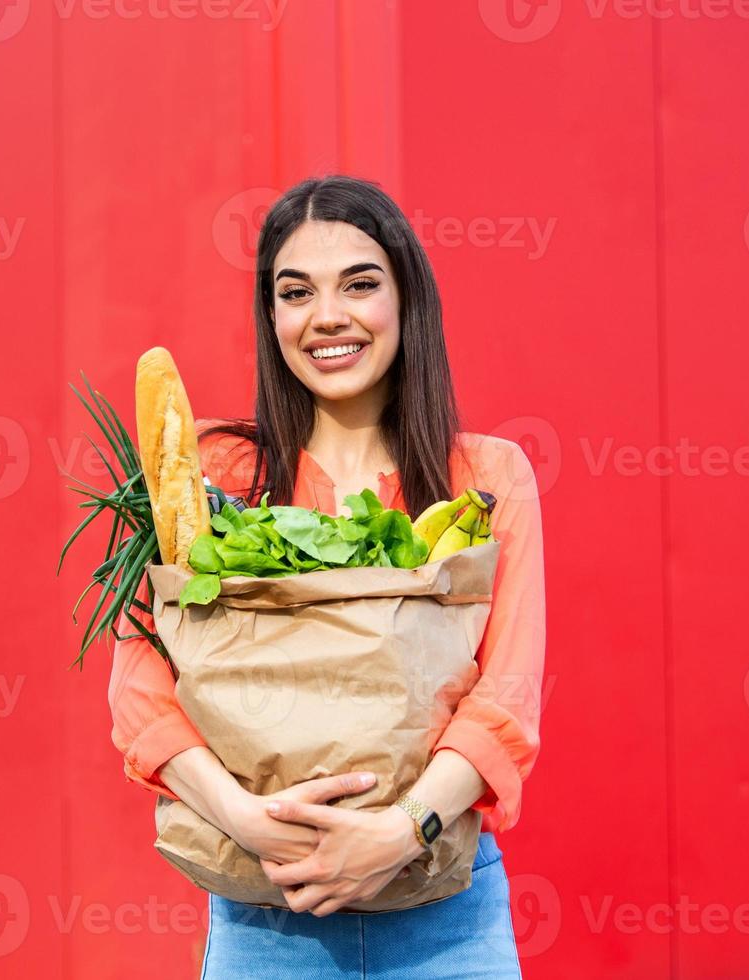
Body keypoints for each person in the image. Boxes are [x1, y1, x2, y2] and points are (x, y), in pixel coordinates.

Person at [107, 174, 546, 978]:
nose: (327, 317)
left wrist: (399, 830)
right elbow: (142, 697)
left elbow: (506, 700)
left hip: (443, 918)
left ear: (407, 299)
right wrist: (248, 818)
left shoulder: (486, 477)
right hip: (265, 913)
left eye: (360, 283)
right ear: (271, 316)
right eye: (296, 291)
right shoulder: (213, 475)